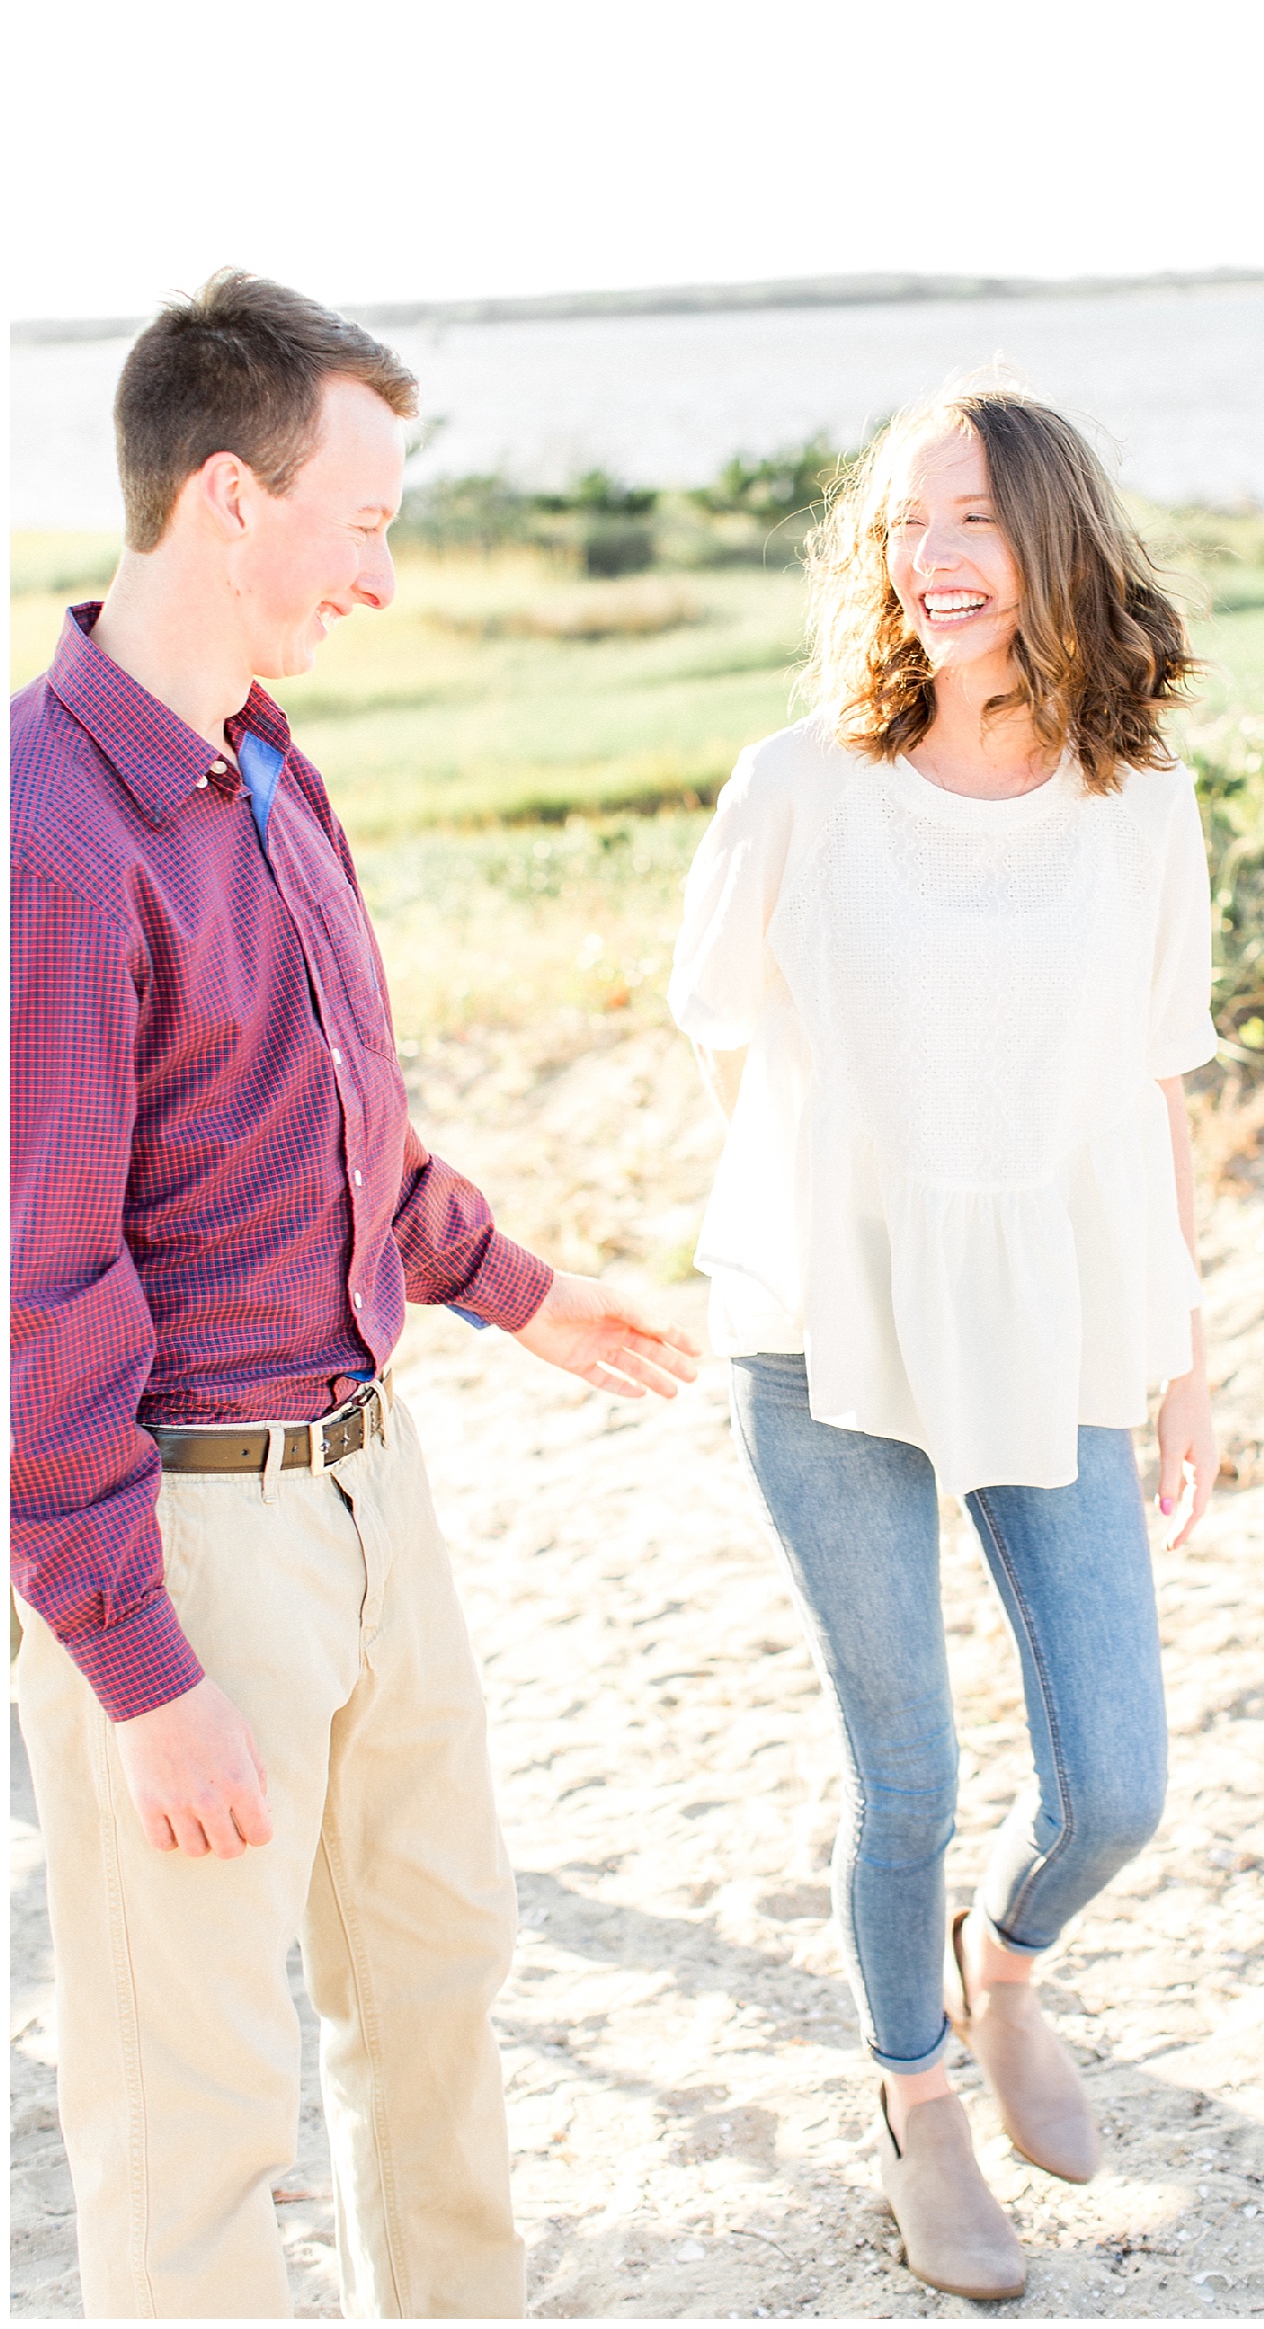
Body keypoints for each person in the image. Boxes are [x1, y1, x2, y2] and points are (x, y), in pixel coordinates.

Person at [10, 271, 698, 2321]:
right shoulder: (47, 835)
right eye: (366, 521)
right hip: (190, 1530)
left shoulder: (270, 768)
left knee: (437, 1996)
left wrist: (519, 1290)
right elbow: (34, 1295)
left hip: (374, 1490)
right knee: (191, 2109)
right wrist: (139, 1673)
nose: (384, 579)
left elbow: (336, 1134)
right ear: (230, 501)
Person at [667, 388, 1220, 2301]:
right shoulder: (801, 784)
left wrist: (1187, 1351)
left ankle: (1008, 1967)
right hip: (832, 1333)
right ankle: (916, 2105)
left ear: (1053, 530)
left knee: (1117, 1784)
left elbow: (1156, 1088)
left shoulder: (1144, 799)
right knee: (900, 1774)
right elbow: (728, 1040)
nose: (935, 555)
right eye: (907, 524)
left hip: (1056, 1318)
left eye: (973, 514)